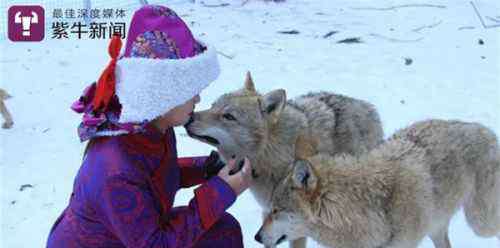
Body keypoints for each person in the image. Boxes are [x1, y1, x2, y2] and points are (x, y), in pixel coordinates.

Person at [46, 5, 252, 248]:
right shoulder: (114, 172)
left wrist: (206, 168)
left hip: (132, 236)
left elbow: (156, 176)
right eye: (191, 91)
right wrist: (219, 192)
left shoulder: (154, 126)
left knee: (223, 230)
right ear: (164, 95)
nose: (198, 99)